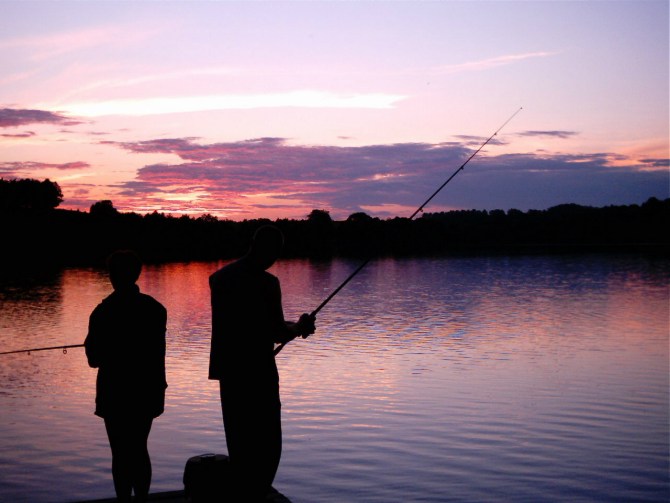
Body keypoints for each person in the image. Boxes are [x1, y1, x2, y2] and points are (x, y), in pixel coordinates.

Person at [209, 225, 315, 501]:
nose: (276, 258)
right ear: (270, 250)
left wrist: (293, 327)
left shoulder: (220, 279)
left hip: (229, 373)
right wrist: (300, 326)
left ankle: (244, 492)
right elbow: (277, 332)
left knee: (238, 438)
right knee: (268, 443)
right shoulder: (267, 283)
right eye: (276, 252)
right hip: (258, 373)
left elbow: (264, 327)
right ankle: (258, 493)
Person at [85, 250, 167, 503]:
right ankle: (141, 498)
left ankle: (124, 499)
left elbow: (93, 360)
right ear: (136, 274)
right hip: (148, 389)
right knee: (139, 448)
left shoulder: (102, 312)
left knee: (120, 451)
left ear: (113, 277)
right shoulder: (155, 309)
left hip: (115, 391)